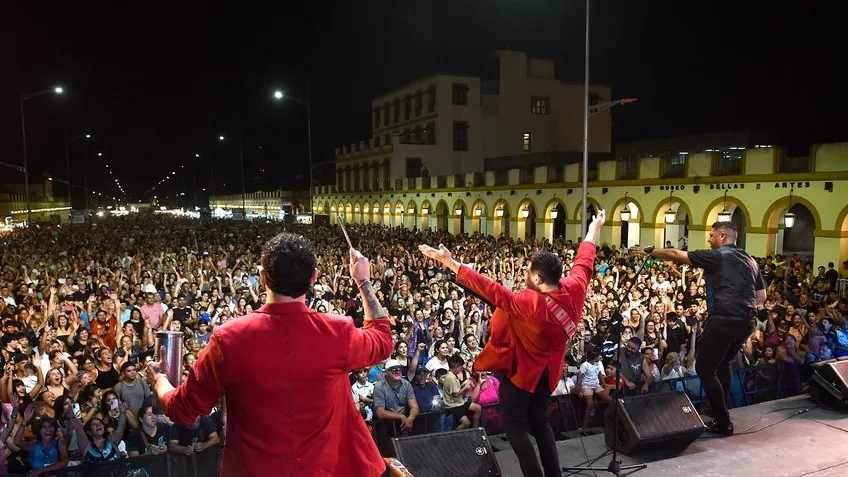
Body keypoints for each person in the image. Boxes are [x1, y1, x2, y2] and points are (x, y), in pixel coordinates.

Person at [145, 232, 394, 476]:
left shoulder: (229, 338)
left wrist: (159, 379)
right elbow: (382, 340)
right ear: (313, 278)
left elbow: (181, 408)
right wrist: (363, 281)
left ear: (263, 278)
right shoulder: (337, 331)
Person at [419, 210, 605, 477]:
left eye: (528, 272)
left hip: (522, 376)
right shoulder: (575, 289)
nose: (525, 276)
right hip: (548, 375)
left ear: (538, 279)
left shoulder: (530, 303)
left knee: (515, 425)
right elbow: (584, 259)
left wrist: (453, 264)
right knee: (540, 424)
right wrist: (594, 227)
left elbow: (493, 290)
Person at [634, 221, 765, 435]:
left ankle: (724, 423)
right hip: (747, 321)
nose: (709, 239)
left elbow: (678, 255)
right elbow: (761, 297)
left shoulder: (718, 255)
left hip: (724, 318)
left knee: (705, 368)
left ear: (723, 236)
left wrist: (653, 251)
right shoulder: (750, 260)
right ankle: (719, 409)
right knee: (723, 364)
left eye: (712, 235)